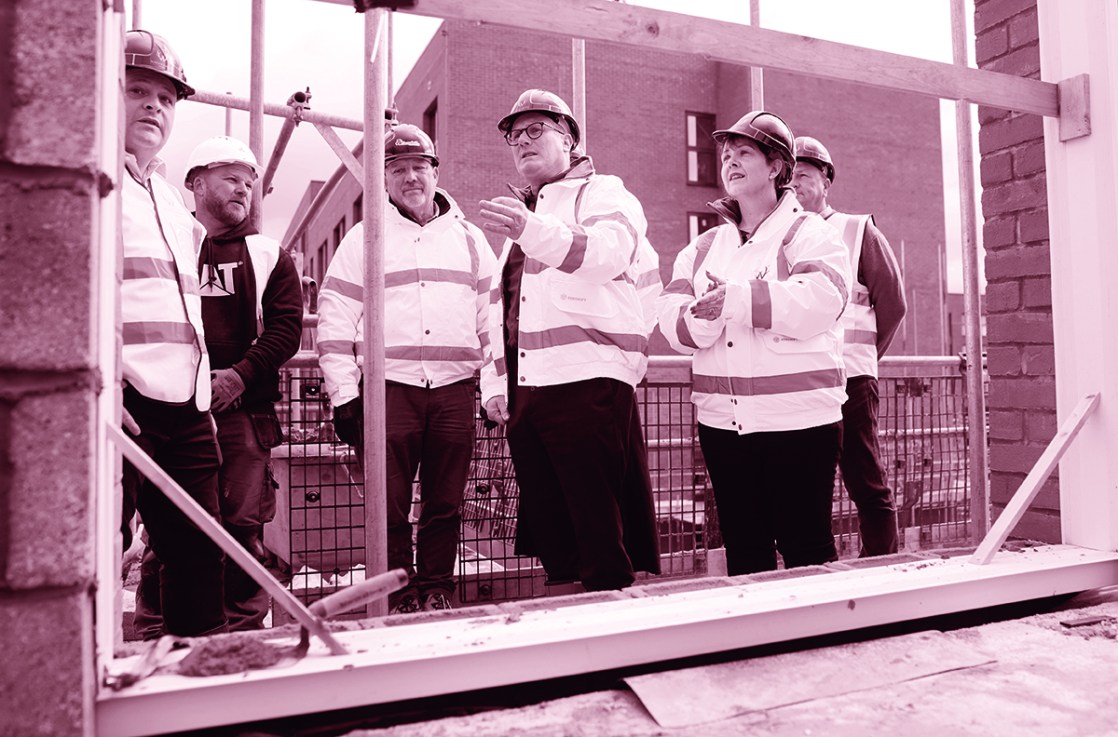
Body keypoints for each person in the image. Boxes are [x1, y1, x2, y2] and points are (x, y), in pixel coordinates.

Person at [477, 89, 661, 592]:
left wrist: (623, 360)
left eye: (537, 129)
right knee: (553, 532)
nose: (522, 142)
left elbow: (607, 255)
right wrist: (496, 385)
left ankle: (613, 646)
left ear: (571, 138)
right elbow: (502, 312)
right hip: (530, 391)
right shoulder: (526, 220)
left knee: (599, 531)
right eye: (515, 135)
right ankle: (569, 635)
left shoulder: (603, 194)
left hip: (587, 384)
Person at [656, 111, 851, 575]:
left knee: (808, 550)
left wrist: (737, 299)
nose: (730, 162)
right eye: (727, 155)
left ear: (777, 167)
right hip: (724, 426)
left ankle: (826, 643)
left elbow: (823, 299)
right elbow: (671, 321)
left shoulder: (810, 233)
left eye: (744, 152)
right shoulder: (702, 248)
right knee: (746, 553)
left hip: (799, 423)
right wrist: (708, 316)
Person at [317, 124, 496, 614]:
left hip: (455, 391)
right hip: (388, 391)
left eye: (419, 167)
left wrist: (496, 386)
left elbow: (493, 320)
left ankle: (436, 588)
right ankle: (397, 596)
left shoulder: (471, 240)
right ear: (384, 181)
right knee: (388, 505)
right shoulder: (364, 239)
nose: (410, 178)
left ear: (436, 172)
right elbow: (334, 317)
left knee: (445, 502)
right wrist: (344, 394)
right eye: (397, 170)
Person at [133, 136, 304, 636]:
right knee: (170, 529)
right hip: (173, 411)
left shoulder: (269, 254)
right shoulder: (167, 239)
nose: (244, 190)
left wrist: (238, 375)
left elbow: (285, 328)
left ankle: (241, 634)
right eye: (232, 178)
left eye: (250, 183)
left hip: (243, 417)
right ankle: (153, 634)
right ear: (196, 182)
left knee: (241, 528)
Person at [119, 30, 227, 637]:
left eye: (166, 97)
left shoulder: (166, 198)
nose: (154, 106)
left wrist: (202, 400)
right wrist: (101, 385)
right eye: (137, 90)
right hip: (122, 403)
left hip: (186, 409)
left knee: (197, 557)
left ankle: (202, 683)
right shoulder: (91, 183)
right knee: (100, 554)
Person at [791, 135, 907, 556]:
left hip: (851, 376)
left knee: (864, 477)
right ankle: (824, 569)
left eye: (804, 175)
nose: (796, 184)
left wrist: (866, 358)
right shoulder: (782, 236)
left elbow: (892, 304)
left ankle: (881, 562)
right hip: (801, 381)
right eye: (790, 177)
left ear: (826, 181)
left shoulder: (857, 230)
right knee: (809, 482)